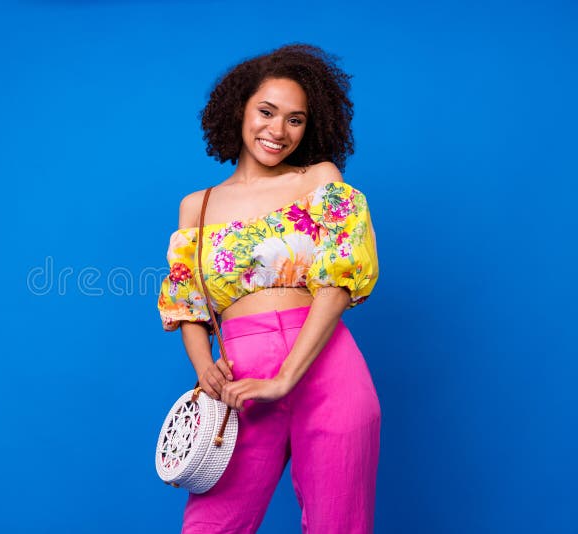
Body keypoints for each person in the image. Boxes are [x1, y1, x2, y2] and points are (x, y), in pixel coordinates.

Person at [156, 43, 381, 534]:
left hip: (326, 368)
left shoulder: (320, 179)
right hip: (240, 384)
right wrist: (204, 368)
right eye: (266, 111)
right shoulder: (197, 205)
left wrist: (285, 377)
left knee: (337, 525)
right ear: (239, 110)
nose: (277, 131)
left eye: (295, 119)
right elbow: (187, 305)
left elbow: (339, 282)